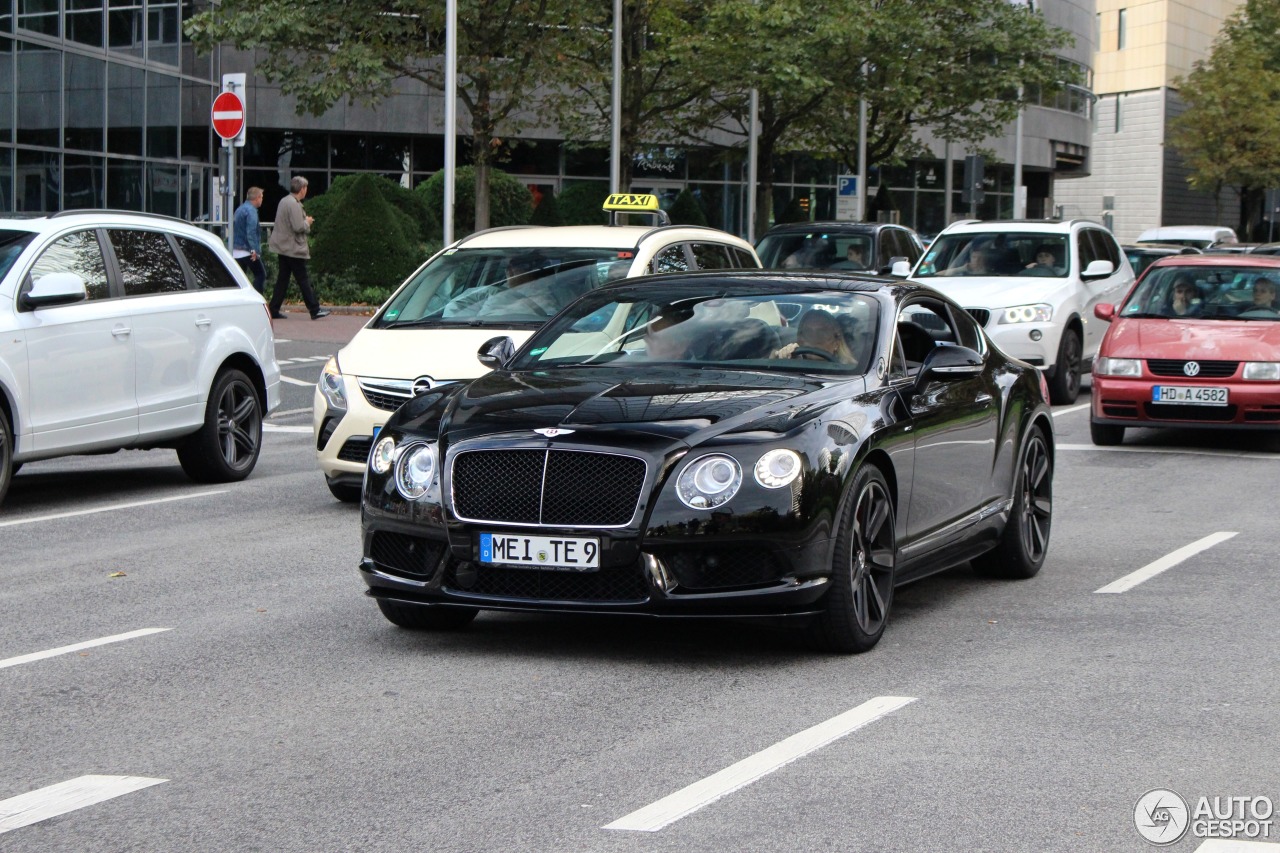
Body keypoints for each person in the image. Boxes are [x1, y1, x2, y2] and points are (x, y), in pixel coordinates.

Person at [268, 176, 328, 320]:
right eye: (306, 188)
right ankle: (314, 309)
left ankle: (274, 309)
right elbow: (298, 227)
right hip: (293, 248)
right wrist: (307, 222)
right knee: (303, 279)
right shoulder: (294, 204)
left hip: (284, 247)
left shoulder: (284, 201)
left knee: (283, 279)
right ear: (302, 189)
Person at [773, 308, 856, 363]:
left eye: (822, 333)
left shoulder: (853, 372)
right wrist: (782, 358)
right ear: (800, 340)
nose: (814, 338)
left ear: (837, 342)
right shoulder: (792, 360)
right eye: (808, 332)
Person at [231, 187, 266, 294]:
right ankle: (256, 298)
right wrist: (254, 250)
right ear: (257, 198)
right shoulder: (252, 211)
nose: (262, 200)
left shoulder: (239, 209)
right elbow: (251, 232)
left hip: (236, 250)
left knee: (240, 281)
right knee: (261, 275)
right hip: (247, 250)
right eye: (261, 197)